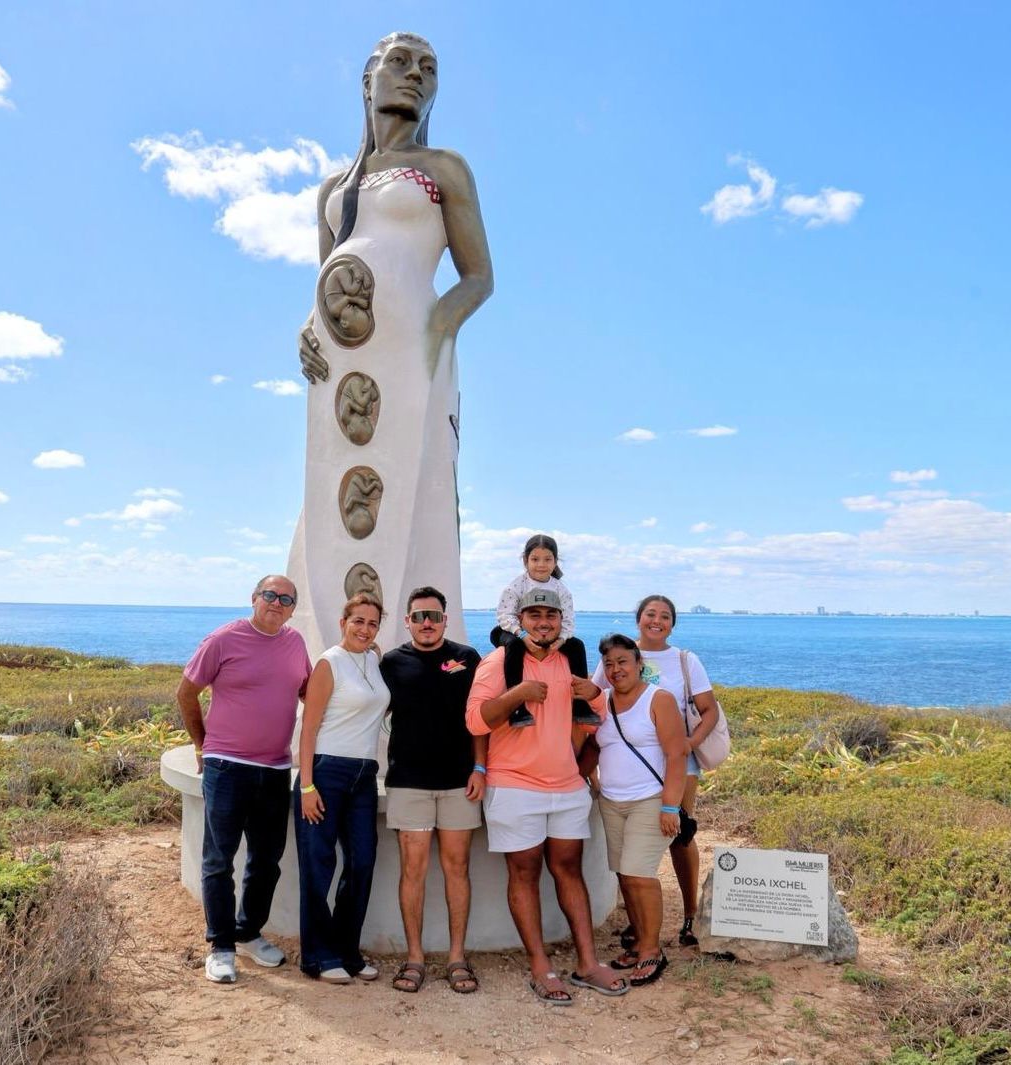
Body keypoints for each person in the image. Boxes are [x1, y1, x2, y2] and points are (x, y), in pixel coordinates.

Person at [285, 30, 493, 657]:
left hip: (413, 351)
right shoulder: (333, 188)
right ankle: (320, 649)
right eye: (398, 62)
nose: (415, 74)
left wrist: (435, 329)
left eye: (428, 67)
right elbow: (328, 272)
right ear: (367, 79)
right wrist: (308, 328)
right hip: (339, 362)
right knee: (332, 492)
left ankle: (416, 645)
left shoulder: (443, 169)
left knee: (412, 483)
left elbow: (478, 277)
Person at [466, 588, 629, 1005]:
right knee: (524, 873)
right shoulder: (498, 662)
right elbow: (475, 721)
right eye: (534, 614)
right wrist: (517, 694)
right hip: (514, 785)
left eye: (550, 615)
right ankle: (541, 966)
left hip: (566, 786)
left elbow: (594, 722)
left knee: (570, 870)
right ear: (520, 620)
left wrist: (594, 695)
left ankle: (588, 963)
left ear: (561, 620)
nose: (543, 622)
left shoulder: (569, 661)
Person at [176, 575, 311, 985]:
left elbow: (310, 693)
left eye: (286, 599)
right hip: (227, 766)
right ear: (254, 598)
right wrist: (201, 745)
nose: (276, 603)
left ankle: (248, 932)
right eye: (270, 595)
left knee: (266, 861)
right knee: (219, 860)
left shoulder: (295, 644)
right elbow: (186, 693)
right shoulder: (223, 639)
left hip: (275, 769)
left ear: (292, 609)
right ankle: (221, 946)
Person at [591, 594, 720, 948]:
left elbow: (709, 709)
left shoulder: (684, 660)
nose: (657, 621)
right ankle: (638, 921)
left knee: (680, 833)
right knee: (632, 848)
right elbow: (597, 699)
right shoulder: (618, 655)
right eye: (650, 614)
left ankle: (690, 915)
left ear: (672, 624)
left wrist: (690, 743)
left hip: (677, 759)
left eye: (665, 616)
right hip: (634, 759)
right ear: (638, 619)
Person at [380, 586, 486, 994]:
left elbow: (479, 718)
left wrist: (480, 767)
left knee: (458, 868)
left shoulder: (467, 658)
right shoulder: (391, 662)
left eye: (435, 616)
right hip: (408, 782)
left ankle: (457, 957)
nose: (427, 623)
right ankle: (415, 957)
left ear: (445, 620)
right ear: (407, 621)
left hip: (459, 782)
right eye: (420, 616)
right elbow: (365, 704)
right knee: (414, 871)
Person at [295, 593, 391, 983]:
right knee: (318, 866)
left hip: (364, 775)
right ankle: (317, 957)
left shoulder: (372, 661)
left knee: (362, 862)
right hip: (326, 771)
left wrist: (373, 650)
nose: (365, 629)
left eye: (372, 623)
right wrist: (307, 786)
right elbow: (309, 729)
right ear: (343, 622)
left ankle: (347, 951)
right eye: (358, 621)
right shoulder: (329, 663)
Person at [589, 634, 688, 988]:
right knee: (623, 874)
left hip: (650, 799)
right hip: (611, 801)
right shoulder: (602, 701)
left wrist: (670, 805)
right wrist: (590, 779)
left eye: (623, 662)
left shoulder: (658, 699)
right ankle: (638, 940)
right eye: (609, 664)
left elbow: (677, 754)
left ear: (638, 664)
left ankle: (651, 949)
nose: (616, 669)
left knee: (639, 873)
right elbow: (594, 746)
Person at [492, 533, 597, 727]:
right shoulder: (516, 586)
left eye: (547, 559)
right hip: (512, 630)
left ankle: (580, 704)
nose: (541, 565)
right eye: (535, 559)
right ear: (525, 561)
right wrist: (522, 635)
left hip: (543, 631)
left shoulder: (561, 589)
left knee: (577, 646)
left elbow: (568, 620)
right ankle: (517, 706)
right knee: (514, 647)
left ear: (555, 562)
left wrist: (562, 639)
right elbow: (504, 615)